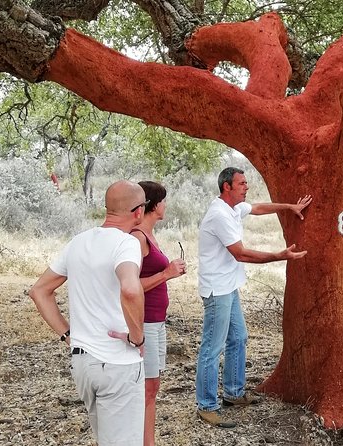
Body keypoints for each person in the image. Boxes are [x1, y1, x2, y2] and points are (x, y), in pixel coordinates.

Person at [29, 180, 147, 446]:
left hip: (83, 362)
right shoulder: (126, 244)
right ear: (138, 211)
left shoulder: (78, 242)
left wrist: (68, 334)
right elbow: (130, 289)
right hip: (117, 361)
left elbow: (39, 291)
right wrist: (138, 338)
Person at [195, 167, 312, 428]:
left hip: (230, 285)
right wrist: (279, 256)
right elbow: (241, 253)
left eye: (246, 183)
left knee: (239, 337)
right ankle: (206, 405)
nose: (246, 187)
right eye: (242, 183)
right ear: (227, 187)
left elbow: (257, 208)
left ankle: (233, 393)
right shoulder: (219, 215)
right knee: (212, 348)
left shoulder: (234, 208)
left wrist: (289, 207)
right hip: (217, 290)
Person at [131, 181, 187, 446]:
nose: (166, 205)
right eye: (163, 200)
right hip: (145, 322)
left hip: (157, 321)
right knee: (147, 388)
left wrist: (168, 274)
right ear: (153, 205)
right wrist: (166, 273)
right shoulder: (137, 238)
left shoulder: (149, 235)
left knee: (152, 386)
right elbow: (129, 286)